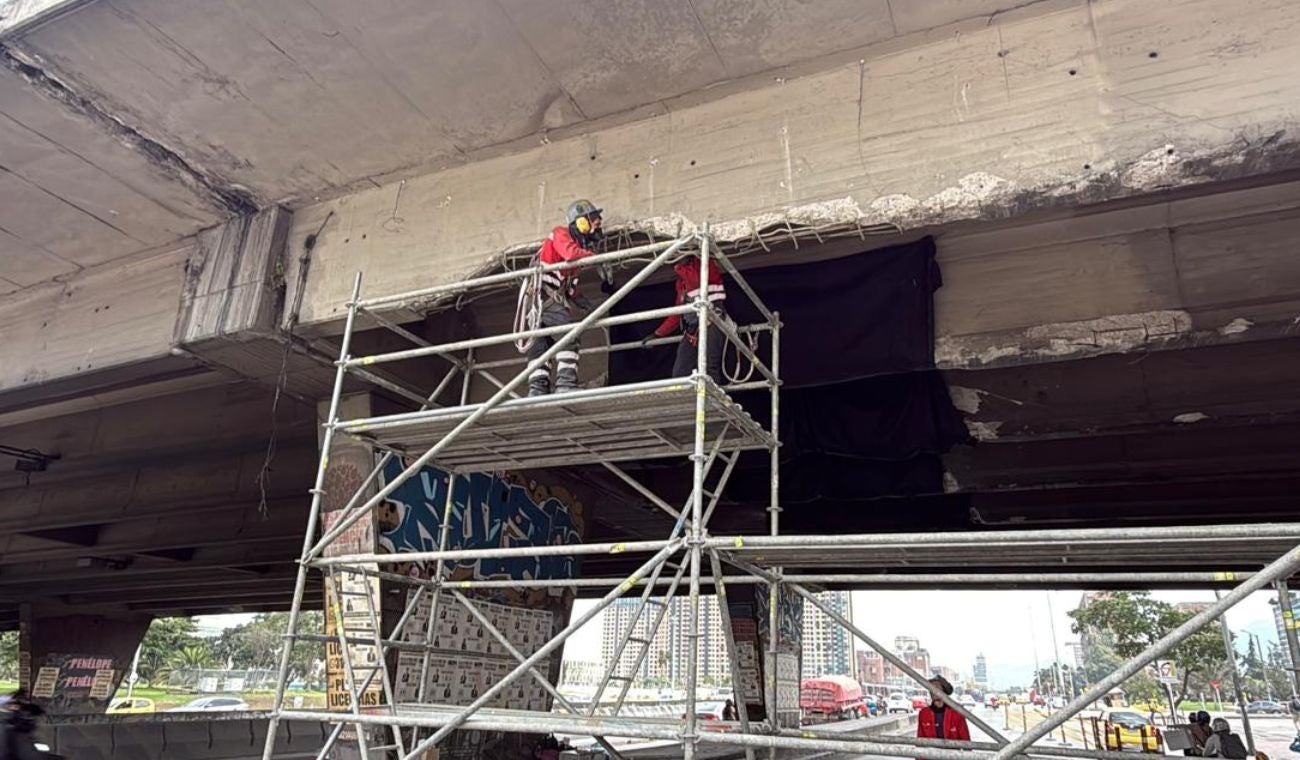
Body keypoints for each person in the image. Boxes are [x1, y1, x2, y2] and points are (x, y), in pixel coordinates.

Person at [524, 200, 605, 396]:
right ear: (580, 222)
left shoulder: (575, 259)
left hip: (540, 301)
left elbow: (570, 290)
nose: (597, 224)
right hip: (543, 298)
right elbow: (570, 254)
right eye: (593, 220)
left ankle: (538, 389)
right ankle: (566, 384)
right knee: (568, 338)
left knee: (541, 346)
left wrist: (587, 305)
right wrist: (595, 257)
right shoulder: (561, 234)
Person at [643, 252, 728, 384]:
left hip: (713, 323)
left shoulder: (705, 265)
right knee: (680, 371)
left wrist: (681, 266)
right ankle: (683, 401)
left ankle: (710, 403)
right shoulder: (682, 284)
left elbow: (697, 280)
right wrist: (658, 334)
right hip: (692, 330)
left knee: (710, 367)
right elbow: (678, 313)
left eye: (678, 255)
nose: (676, 260)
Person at [917, 676, 970, 742]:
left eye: (936, 689)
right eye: (931, 689)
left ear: (944, 691)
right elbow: (920, 742)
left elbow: (966, 743)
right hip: (931, 752)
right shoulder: (924, 713)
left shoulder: (957, 713)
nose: (933, 692)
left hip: (953, 752)